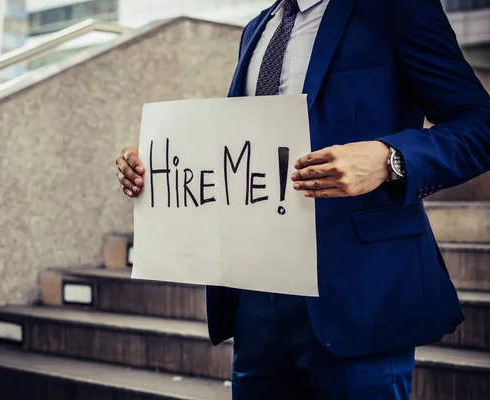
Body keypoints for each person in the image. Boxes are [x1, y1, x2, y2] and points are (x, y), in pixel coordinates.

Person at [114, 0, 490, 398]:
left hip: (359, 293)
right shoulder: (258, 28)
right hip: (257, 301)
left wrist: (390, 159)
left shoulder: (395, 8)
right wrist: (154, 167)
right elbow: (243, 150)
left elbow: (480, 126)